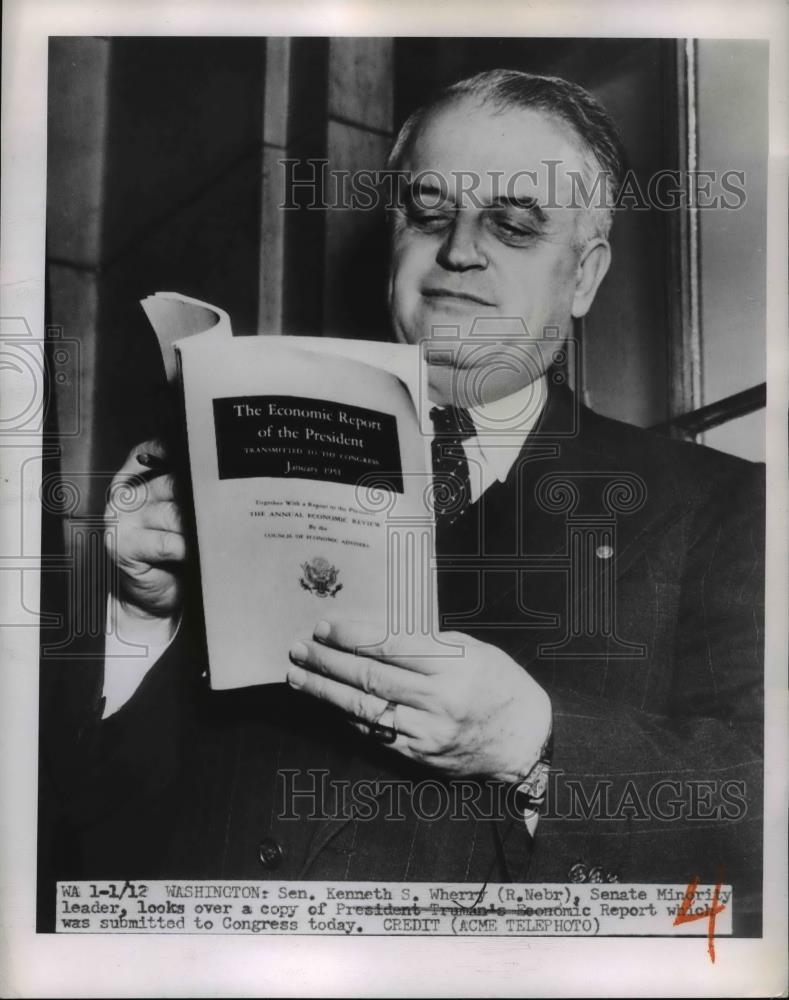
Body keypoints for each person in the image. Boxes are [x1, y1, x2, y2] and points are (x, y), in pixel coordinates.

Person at [39, 70, 764, 934]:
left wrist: (533, 745)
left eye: (513, 223)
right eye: (428, 212)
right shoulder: (243, 463)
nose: (459, 249)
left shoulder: (722, 506)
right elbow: (74, 834)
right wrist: (136, 617)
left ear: (585, 277)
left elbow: (759, 806)